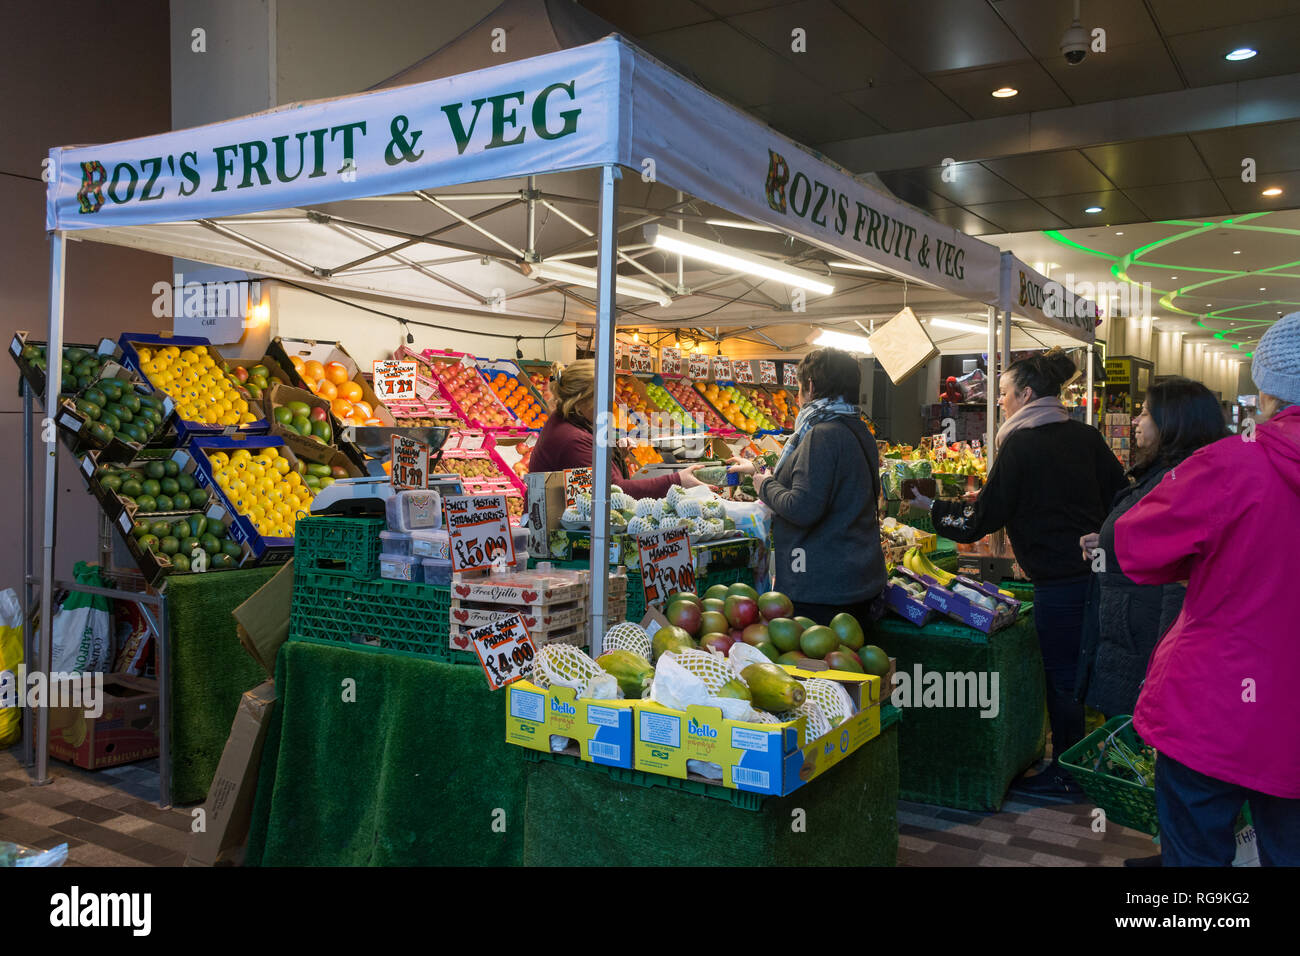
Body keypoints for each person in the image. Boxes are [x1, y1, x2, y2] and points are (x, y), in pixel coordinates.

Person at [1114, 313, 1300, 866]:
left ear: (1266, 393)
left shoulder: (1229, 465)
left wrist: (1210, 563)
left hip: (1215, 707)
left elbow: (1134, 546)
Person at [906, 348, 1128, 795]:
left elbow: (983, 519)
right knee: (1095, 668)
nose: (1000, 401)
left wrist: (935, 508)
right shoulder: (1085, 436)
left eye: (1004, 393)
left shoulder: (1021, 443)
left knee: (1063, 675)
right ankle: (1106, 762)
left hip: (1058, 581)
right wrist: (1101, 534)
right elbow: (1123, 496)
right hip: (1100, 579)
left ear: (1026, 394)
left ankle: (1069, 772)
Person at [1076, 378, 1229, 720]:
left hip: (1142, 641)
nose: (1135, 421)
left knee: (1131, 743)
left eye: (1144, 412)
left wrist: (1163, 664)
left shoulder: (1182, 481)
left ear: (1172, 422)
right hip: (1130, 633)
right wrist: (1108, 543)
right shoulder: (1167, 474)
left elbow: (1180, 583)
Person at [726, 348, 884, 625]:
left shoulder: (821, 435)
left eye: (799, 388)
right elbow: (820, 483)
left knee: (814, 665)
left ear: (810, 387)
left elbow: (802, 507)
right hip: (858, 577)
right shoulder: (858, 430)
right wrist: (760, 471)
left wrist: (765, 485)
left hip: (822, 588)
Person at [527, 359, 703, 498]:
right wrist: (676, 480)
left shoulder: (566, 421)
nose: (609, 408)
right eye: (603, 400)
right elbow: (614, 492)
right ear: (580, 401)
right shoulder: (572, 438)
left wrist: (615, 454)